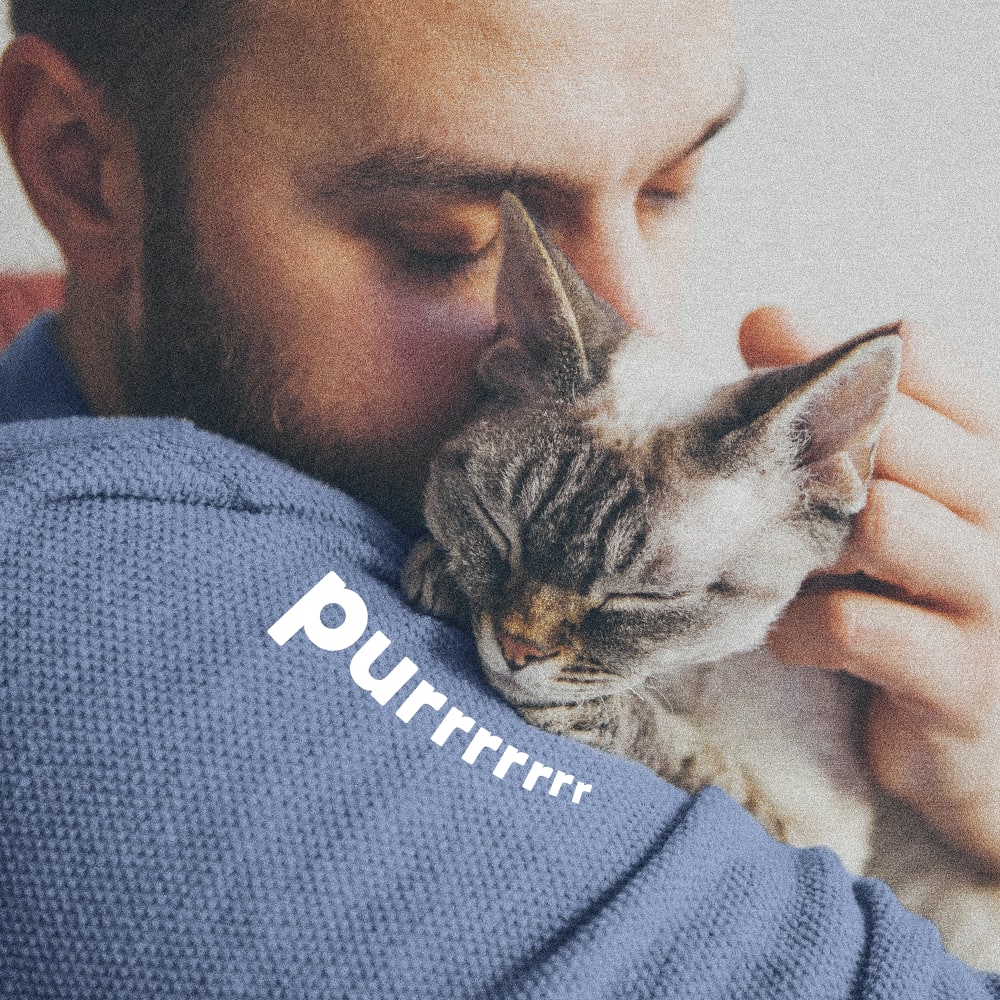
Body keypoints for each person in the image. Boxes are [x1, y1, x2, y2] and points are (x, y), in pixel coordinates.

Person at [1, 1, 998, 996]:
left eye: (668, 184)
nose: (641, 321)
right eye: (454, 239)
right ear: (81, 167)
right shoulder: (78, 614)